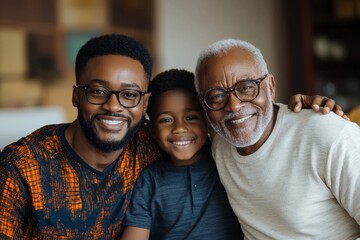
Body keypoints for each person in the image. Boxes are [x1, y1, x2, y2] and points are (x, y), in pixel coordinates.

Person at [0, 33, 344, 239]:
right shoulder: (21, 166)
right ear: (76, 96)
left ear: (143, 105)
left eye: (129, 94)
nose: (114, 107)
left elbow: (237, 121)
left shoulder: (155, 141)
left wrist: (304, 109)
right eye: (97, 92)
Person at [194, 38, 360, 239]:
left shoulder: (328, 134)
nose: (234, 106)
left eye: (246, 87)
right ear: (204, 106)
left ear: (270, 87)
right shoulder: (218, 144)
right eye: (216, 96)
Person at [120, 69, 243, 240]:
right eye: (166, 120)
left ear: (208, 122)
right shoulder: (149, 181)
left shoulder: (225, 160)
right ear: (153, 130)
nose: (179, 128)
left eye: (191, 117)